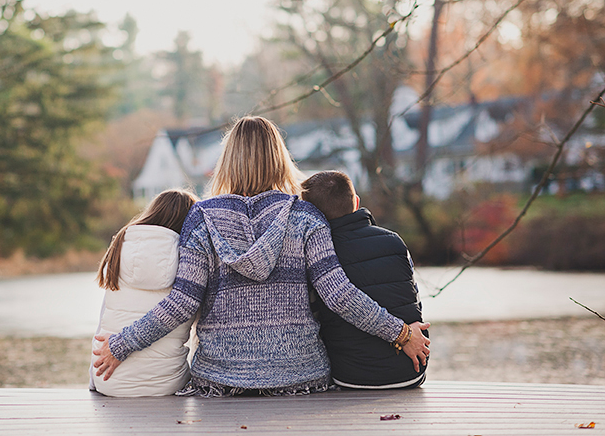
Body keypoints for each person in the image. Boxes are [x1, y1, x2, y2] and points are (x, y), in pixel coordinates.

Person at [93, 116, 429, 396]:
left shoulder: (202, 219)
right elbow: (339, 295)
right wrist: (401, 333)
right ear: (280, 157)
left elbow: (181, 303)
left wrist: (120, 344)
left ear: (227, 160)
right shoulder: (305, 217)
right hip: (300, 378)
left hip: (220, 381)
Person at [302, 170, 428, 389]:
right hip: (411, 370)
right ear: (356, 201)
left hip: (350, 375)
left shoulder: (318, 255)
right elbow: (413, 299)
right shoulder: (394, 241)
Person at [90, 189, 199, 397]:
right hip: (168, 383)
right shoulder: (190, 260)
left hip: (107, 379)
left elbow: (102, 320)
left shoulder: (121, 244)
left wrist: (93, 381)